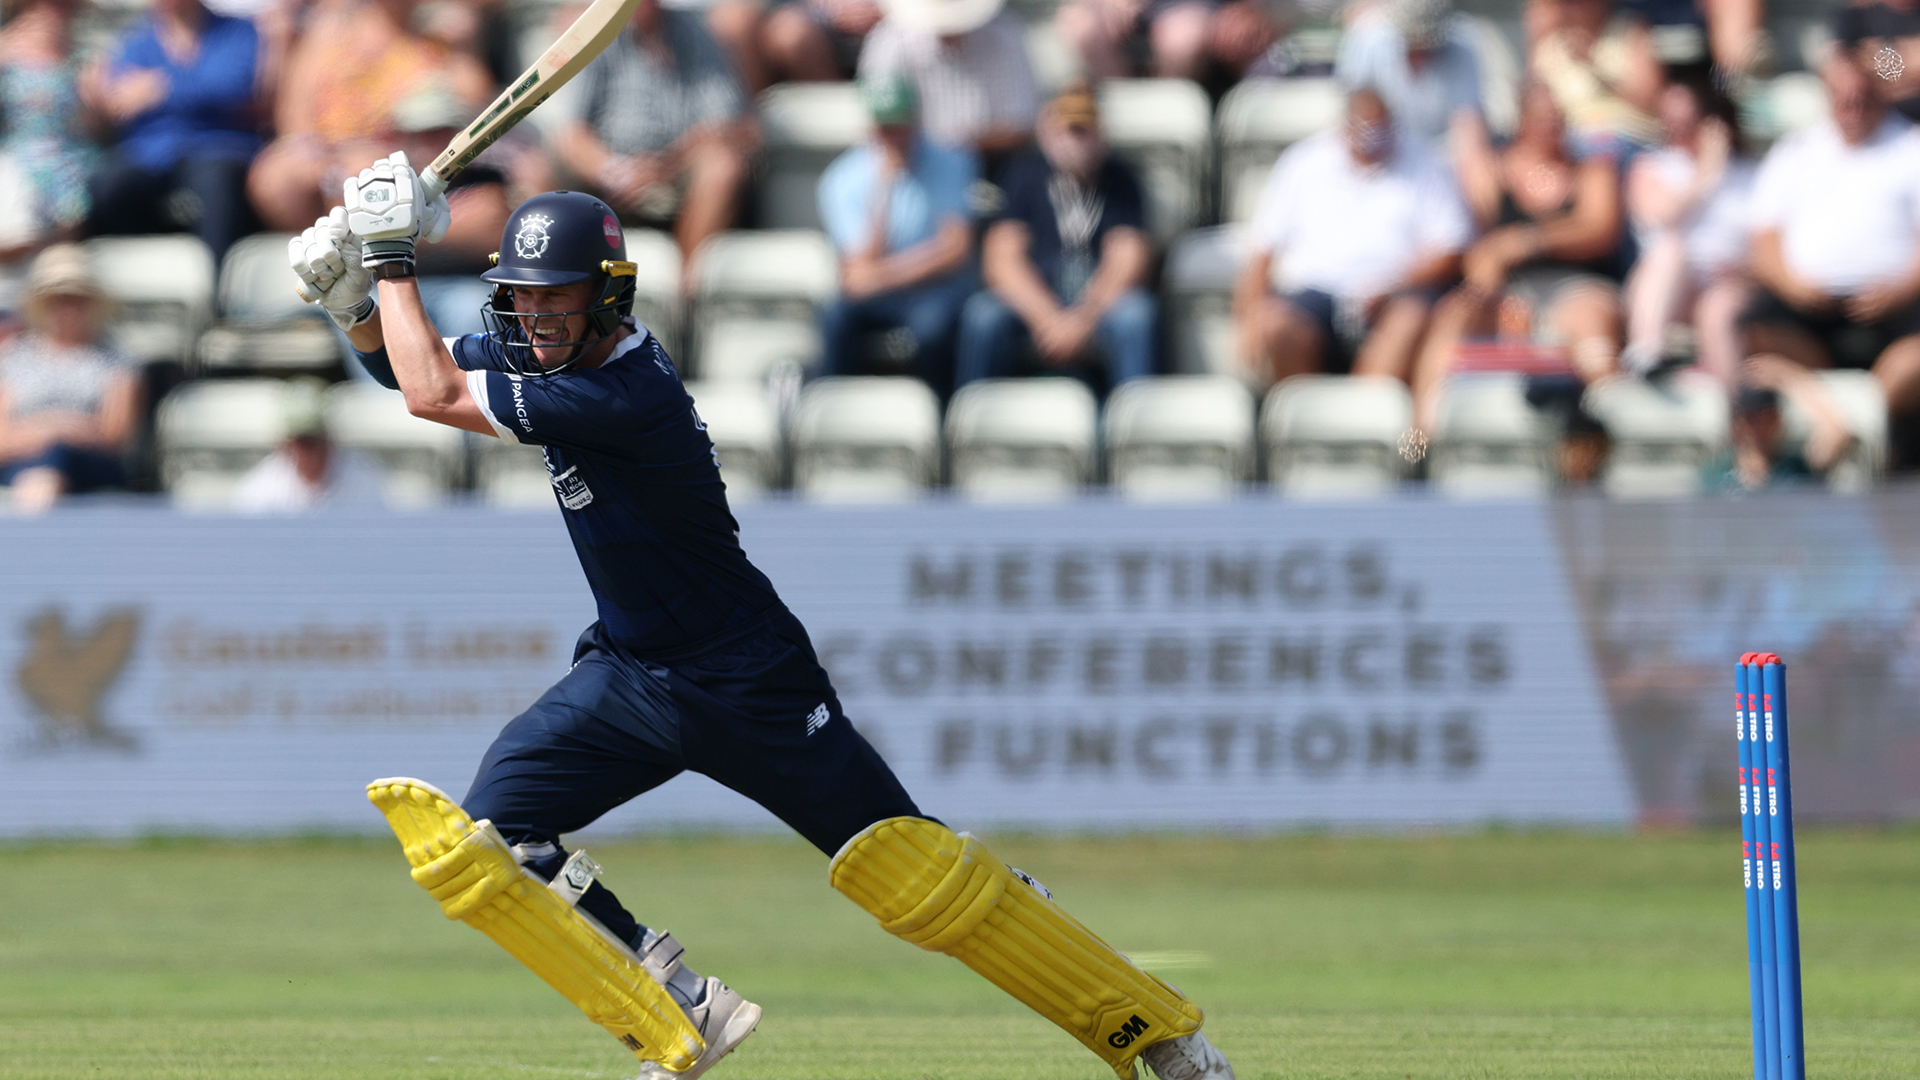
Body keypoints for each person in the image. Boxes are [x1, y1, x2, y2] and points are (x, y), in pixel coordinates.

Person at [287, 151, 1237, 1080]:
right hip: (632, 674)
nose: (534, 319)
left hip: (751, 680)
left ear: (609, 297)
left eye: (556, 299)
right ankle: (678, 1005)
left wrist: (391, 258)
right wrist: (355, 306)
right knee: (492, 840)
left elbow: (433, 394)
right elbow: (405, 371)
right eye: (521, 299)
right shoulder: (554, 345)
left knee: (915, 877)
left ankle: (1158, 1035)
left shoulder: (625, 390)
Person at [1409, 81, 1625, 432]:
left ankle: (1606, 430)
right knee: (1454, 314)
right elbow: (1479, 251)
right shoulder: (1495, 171)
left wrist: (1530, 240)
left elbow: (1599, 229)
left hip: (1576, 285)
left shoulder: (1590, 169)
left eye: (1557, 117)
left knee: (1592, 322)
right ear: (1521, 120)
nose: (1552, 125)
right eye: (1542, 118)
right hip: (1512, 292)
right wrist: (1488, 277)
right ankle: (1421, 437)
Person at [1234, 86, 1470, 391]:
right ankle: (1306, 414)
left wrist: (1392, 283)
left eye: (1379, 130)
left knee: (1409, 320)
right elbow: (1264, 246)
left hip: (1395, 295)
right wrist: (1247, 319)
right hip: (1316, 294)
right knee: (1276, 325)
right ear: (1346, 127)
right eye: (1365, 130)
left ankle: (1362, 412)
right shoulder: (1304, 162)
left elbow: (1452, 248)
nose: (1372, 139)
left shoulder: (1425, 163)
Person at [1740, 54, 1920, 419]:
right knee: (1752, 328)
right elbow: (1764, 238)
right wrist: (1794, 287)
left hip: (1898, 304)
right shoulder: (1795, 151)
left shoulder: (1911, 147)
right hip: (1810, 307)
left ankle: (1866, 419)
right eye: (1843, 96)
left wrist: (1900, 290)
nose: (1853, 106)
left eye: (1861, 96)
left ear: (1879, 92)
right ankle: (1830, 414)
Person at [955, 82, 1156, 390]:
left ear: (1100, 134)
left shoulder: (1120, 180)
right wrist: (1048, 318)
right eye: (1067, 130)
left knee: (1136, 316)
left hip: (1096, 299)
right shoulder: (1023, 175)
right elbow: (1002, 259)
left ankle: (1135, 412)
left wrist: (1082, 320)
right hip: (1038, 296)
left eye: (1083, 130)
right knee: (983, 315)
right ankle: (975, 408)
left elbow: (1128, 257)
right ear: (1046, 132)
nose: (1075, 140)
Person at [245, 0, 494, 232]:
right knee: (276, 178)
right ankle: (339, 241)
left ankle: (385, 239)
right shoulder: (331, 28)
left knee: (366, 172)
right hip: (329, 153)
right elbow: (294, 108)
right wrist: (316, 156)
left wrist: (465, 47)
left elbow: (474, 100)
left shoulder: (439, 34)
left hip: (404, 157)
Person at [555, 0, 755, 268]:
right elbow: (572, 135)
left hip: (678, 172)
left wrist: (663, 166)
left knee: (723, 168)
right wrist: (618, 172)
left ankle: (686, 287)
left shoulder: (697, 32)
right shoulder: (595, 34)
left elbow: (730, 124)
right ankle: (558, 277)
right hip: (609, 178)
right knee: (540, 167)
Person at [816, 76, 975, 393]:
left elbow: (954, 250)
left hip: (932, 289)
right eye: (885, 127)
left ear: (916, 121)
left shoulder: (952, 160)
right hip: (883, 291)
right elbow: (858, 264)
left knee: (934, 329)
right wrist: (884, 188)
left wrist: (882, 277)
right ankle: (832, 404)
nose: (894, 136)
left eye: (900, 125)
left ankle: (938, 411)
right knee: (835, 317)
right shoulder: (841, 178)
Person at [84, 0, 262, 268]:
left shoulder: (238, 32)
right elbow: (121, 101)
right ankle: (128, 279)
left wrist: (162, 88)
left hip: (217, 147)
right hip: (151, 153)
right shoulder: (135, 42)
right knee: (108, 185)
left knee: (217, 183)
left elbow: (235, 84)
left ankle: (219, 285)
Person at [1621, 77, 1752, 381]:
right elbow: (1661, 215)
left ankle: (1735, 400)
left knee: (1719, 305)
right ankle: (1646, 350)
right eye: (1670, 123)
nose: (1678, 132)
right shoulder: (1651, 166)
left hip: (1730, 285)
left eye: (1688, 123)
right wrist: (1706, 173)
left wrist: (1743, 271)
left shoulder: (1750, 172)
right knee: (1671, 250)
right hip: (1668, 288)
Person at [0, 245, 140, 514]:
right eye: (58, 299)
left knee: (54, 461)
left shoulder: (116, 360)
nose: (67, 309)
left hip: (91, 465)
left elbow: (113, 435)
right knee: (45, 468)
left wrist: (54, 434)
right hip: (24, 463)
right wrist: (55, 428)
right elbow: (3, 439)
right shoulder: (12, 359)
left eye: (76, 299)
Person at [857, 0, 1039, 158]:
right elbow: (885, 125)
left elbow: (1021, 126)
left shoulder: (1005, 34)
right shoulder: (889, 42)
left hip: (996, 159)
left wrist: (959, 143)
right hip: (916, 160)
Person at [0, 0, 97, 264]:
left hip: (71, 154)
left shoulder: (82, 56)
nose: (58, 10)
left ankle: (53, 264)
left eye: (65, 5)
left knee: (77, 191)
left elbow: (95, 125)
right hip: (19, 152)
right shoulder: (5, 50)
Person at [1333, 0, 1485, 155]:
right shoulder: (1367, 39)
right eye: (1413, 44)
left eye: (1428, 46)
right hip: (1384, 149)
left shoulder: (1463, 44)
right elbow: (1356, 110)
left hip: (1444, 151)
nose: (1420, 55)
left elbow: (1468, 122)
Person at [230, 377, 390, 511]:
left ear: (329, 439)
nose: (309, 451)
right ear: (285, 445)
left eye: (315, 440)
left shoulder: (364, 480)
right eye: (301, 441)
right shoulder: (259, 491)